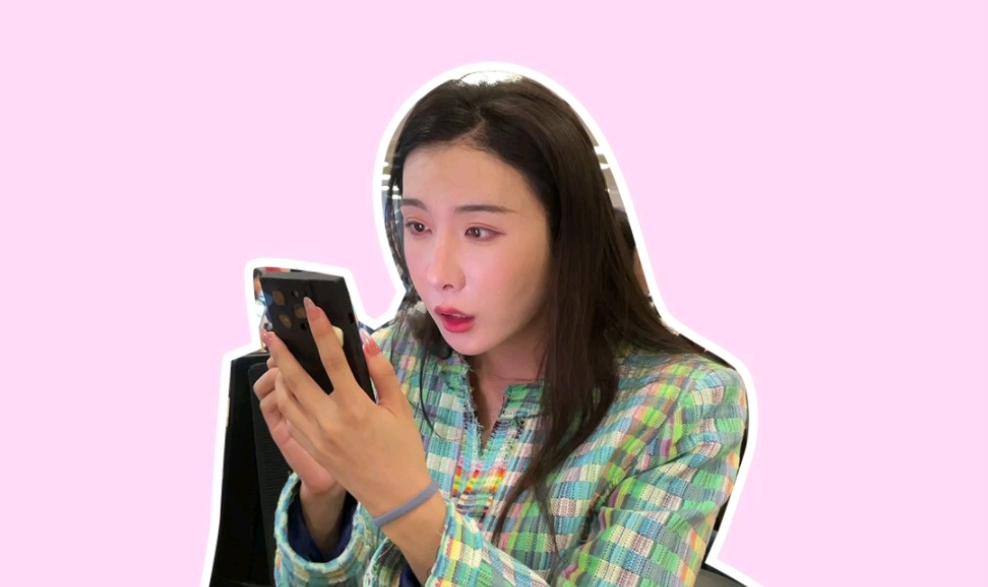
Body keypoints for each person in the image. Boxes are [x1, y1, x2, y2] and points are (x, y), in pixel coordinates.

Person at [253, 75, 748, 586]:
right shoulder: (396, 358)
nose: (437, 273)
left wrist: (406, 503)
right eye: (418, 226)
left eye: (479, 232)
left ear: (566, 237)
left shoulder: (683, 406)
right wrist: (326, 497)